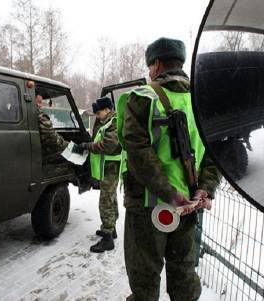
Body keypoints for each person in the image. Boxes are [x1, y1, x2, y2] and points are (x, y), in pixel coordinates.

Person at [121, 37, 221, 300]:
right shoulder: (204, 101)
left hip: (148, 209)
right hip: (189, 206)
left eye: (150, 66)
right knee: (184, 273)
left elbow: (138, 153)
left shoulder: (143, 97)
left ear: (157, 64)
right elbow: (216, 154)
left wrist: (168, 192)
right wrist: (204, 190)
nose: (149, 72)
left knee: (144, 277)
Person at [77, 97, 122, 253]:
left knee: (105, 201)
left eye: (98, 112)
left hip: (111, 168)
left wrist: (88, 146)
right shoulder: (106, 122)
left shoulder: (115, 122)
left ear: (107, 109)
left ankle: (108, 238)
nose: (97, 115)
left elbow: (108, 145)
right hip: (107, 167)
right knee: (111, 198)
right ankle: (111, 229)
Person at [35, 94, 69, 160]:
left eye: (41, 102)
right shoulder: (40, 116)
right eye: (39, 102)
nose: (41, 105)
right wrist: (70, 146)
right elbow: (54, 139)